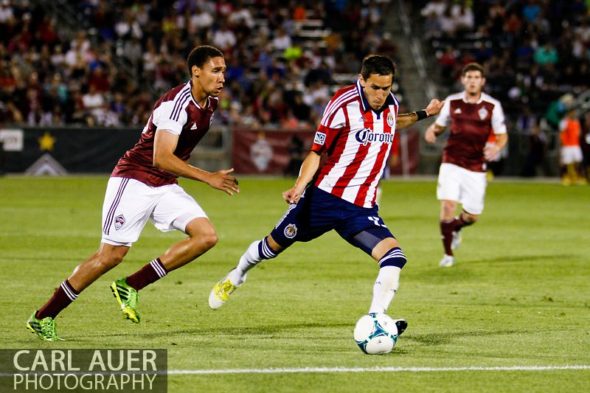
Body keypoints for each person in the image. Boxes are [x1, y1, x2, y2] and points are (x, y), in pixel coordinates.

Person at [208, 55, 443, 334]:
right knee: (272, 246)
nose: (381, 95)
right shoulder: (342, 105)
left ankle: (375, 319)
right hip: (323, 199)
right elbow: (316, 152)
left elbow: (392, 122)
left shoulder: (390, 103)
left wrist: (424, 114)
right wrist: (299, 186)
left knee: (394, 257)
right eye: (375, 88)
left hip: (361, 209)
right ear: (362, 80)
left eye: (386, 88)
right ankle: (236, 276)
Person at [27, 45, 239, 341]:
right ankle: (44, 316)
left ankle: (131, 286)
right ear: (196, 72)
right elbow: (161, 157)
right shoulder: (176, 104)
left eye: (224, 71)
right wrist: (208, 178)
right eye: (216, 70)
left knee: (206, 237)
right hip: (135, 178)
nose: (222, 77)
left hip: (164, 184)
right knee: (111, 255)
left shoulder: (210, 105)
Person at [424, 62, 507, 268]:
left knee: (472, 216)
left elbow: (502, 135)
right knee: (448, 205)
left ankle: (456, 228)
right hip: (451, 160)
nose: (472, 81)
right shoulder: (452, 102)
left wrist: (496, 148)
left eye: (476, 78)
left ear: (482, 81)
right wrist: (432, 131)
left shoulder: (492, 106)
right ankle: (448, 255)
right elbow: (439, 125)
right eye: (468, 77)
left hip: (476, 165)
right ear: (463, 80)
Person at [559, 108, 586, 185]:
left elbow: (579, 133)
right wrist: (562, 144)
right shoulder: (564, 122)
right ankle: (565, 177)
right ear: (569, 113)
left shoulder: (576, 122)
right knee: (566, 162)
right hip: (567, 145)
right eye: (572, 113)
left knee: (578, 161)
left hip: (575, 145)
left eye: (574, 113)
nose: (573, 114)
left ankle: (575, 177)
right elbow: (562, 133)